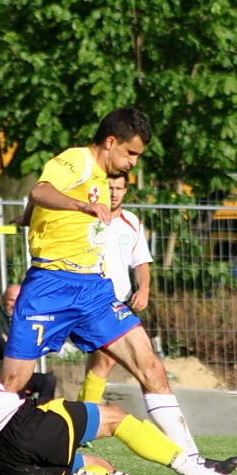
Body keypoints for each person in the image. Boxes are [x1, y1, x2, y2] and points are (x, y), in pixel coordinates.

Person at [0, 107, 237, 475]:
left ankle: (195, 464)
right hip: (50, 286)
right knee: (11, 384)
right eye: (131, 153)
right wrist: (79, 206)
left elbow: (40, 196)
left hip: (93, 289)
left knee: (151, 368)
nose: (132, 162)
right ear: (110, 142)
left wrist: (29, 214)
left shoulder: (99, 173)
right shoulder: (77, 160)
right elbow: (42, 188)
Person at [0, 237, 237, 475]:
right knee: (118, 419)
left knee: (101, 465)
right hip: (19, 427)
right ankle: (194, 467)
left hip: (1, 458)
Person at [77, 172, 153, 403]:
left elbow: (140, 262)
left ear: (125, 191)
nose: (113, 193)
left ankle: (80, 415)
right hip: (91, 299)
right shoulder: (87, 219)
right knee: (106, 359)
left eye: (119, 188)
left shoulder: (132, 223)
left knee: (100, 360)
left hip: (120, 301)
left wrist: (144, 289)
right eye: (109, 187)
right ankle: (82, 419)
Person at [0, 283, 56, 402]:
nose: (15, 304)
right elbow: (2, 349)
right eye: (11, 300)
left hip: (20, 369)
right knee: (16, 382)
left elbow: (36, 345)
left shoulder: (26, 319)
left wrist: (12, 341)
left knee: (48, 380)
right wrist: (21, 344)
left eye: (19, 300)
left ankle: (42, 414)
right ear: (3, 300)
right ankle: (19, 417)